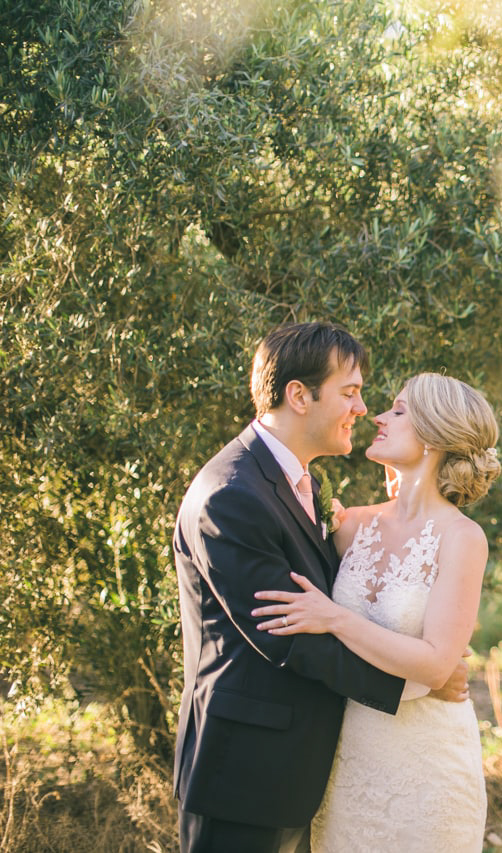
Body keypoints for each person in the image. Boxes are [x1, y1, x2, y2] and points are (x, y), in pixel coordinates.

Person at [172, 323, 470, 853]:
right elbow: (286, 633)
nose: (364, 408)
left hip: (307, 767)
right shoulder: (233, 494)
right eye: (350, 392)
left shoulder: (297, 486)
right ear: (298, 396)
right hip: (243, 771)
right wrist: (416, 685)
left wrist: (431, 656)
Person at [252, 371, 500, 851]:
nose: (379, 417)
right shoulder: (349, 525)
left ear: (434, 436)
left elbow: (436, 664)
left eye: (399, 411)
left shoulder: (462, 538)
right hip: (348, 760)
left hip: (427, 767)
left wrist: (336, 618)